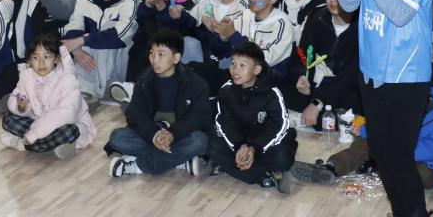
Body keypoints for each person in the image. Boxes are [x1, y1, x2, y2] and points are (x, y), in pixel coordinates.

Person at [322, 0, 433, 217]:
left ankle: (413, 213)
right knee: (383, 156)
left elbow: (400, 13)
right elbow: (349, 4)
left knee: (398, 159)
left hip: (405, 76)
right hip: (371, 72)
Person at [107, 27, 212, 177]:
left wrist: (173, 134)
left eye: (161, 54)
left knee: (199, 141)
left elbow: (199, 118)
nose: (154, 59)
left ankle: (138, 166)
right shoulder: (144, 80)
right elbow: (135, 113)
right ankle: (179, 160)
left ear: (176, 58)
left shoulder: (195, 84)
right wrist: (154, 135)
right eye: (152, 53)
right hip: (153, 136)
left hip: (180, 137)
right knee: (117, 138)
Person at [209, 41, 297, 193]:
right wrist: (239, 146)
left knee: (283, 156)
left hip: (262, 145)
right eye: (232, 64)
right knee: (212, 146)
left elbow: (279, 125)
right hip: (239, 143)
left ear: (257, 69)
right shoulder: (226, 91)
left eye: (242, 65)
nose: (235, 70)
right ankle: (264, 176)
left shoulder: (271, 92)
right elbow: (224, 122)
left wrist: (255, 148)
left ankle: (238, 169)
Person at [0, 32, 96, 160]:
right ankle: (50, 144)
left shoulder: (67, 78)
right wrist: (22, 107)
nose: (41, 63)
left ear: (56, 58)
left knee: (69, 131)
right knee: (8, 119)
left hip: (68, 123)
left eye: (46, 57)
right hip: (39, 121)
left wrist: (34, 134)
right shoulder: (27, 76)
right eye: (36, 57)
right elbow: (15, 96)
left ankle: (23, 143)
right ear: (30, 60)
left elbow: (66, 114)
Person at [62, 0, 138, 103]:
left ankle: (90, 91)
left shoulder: (130, 2)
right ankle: (88, 91)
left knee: (106, 33)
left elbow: (119, 36)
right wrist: (77, 50)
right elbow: (73, 27)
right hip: (87, 64)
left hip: (117, 64)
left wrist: (82, 40)